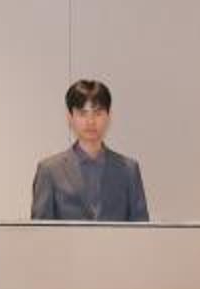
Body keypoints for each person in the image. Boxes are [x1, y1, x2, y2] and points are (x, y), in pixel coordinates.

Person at [29, 79, 149, 222]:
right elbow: (41, 231)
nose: (90, 121)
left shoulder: (128, 170)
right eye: (82, 113)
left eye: (97, 113)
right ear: (70, 117)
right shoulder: (49, 171)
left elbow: (141, 229)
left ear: (108, 116)